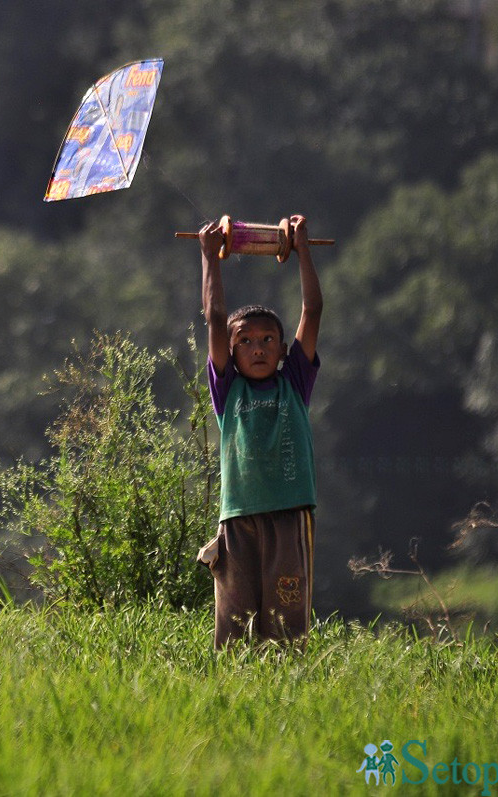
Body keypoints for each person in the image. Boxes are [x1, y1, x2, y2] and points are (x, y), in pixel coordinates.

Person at [195, 214, 323, 648]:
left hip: (290, 515)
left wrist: (301, 248)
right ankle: (235, 691)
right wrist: (209, 258)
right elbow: (214, 317)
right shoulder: (227, 390)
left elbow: (313, 309)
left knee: (286, 626)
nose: (258, 348)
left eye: (269, 340)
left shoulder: (295, 383)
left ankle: (286, 687)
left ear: (284, 350)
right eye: (246, 341)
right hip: (238, 517)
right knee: (235, 624)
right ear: (231, 352)